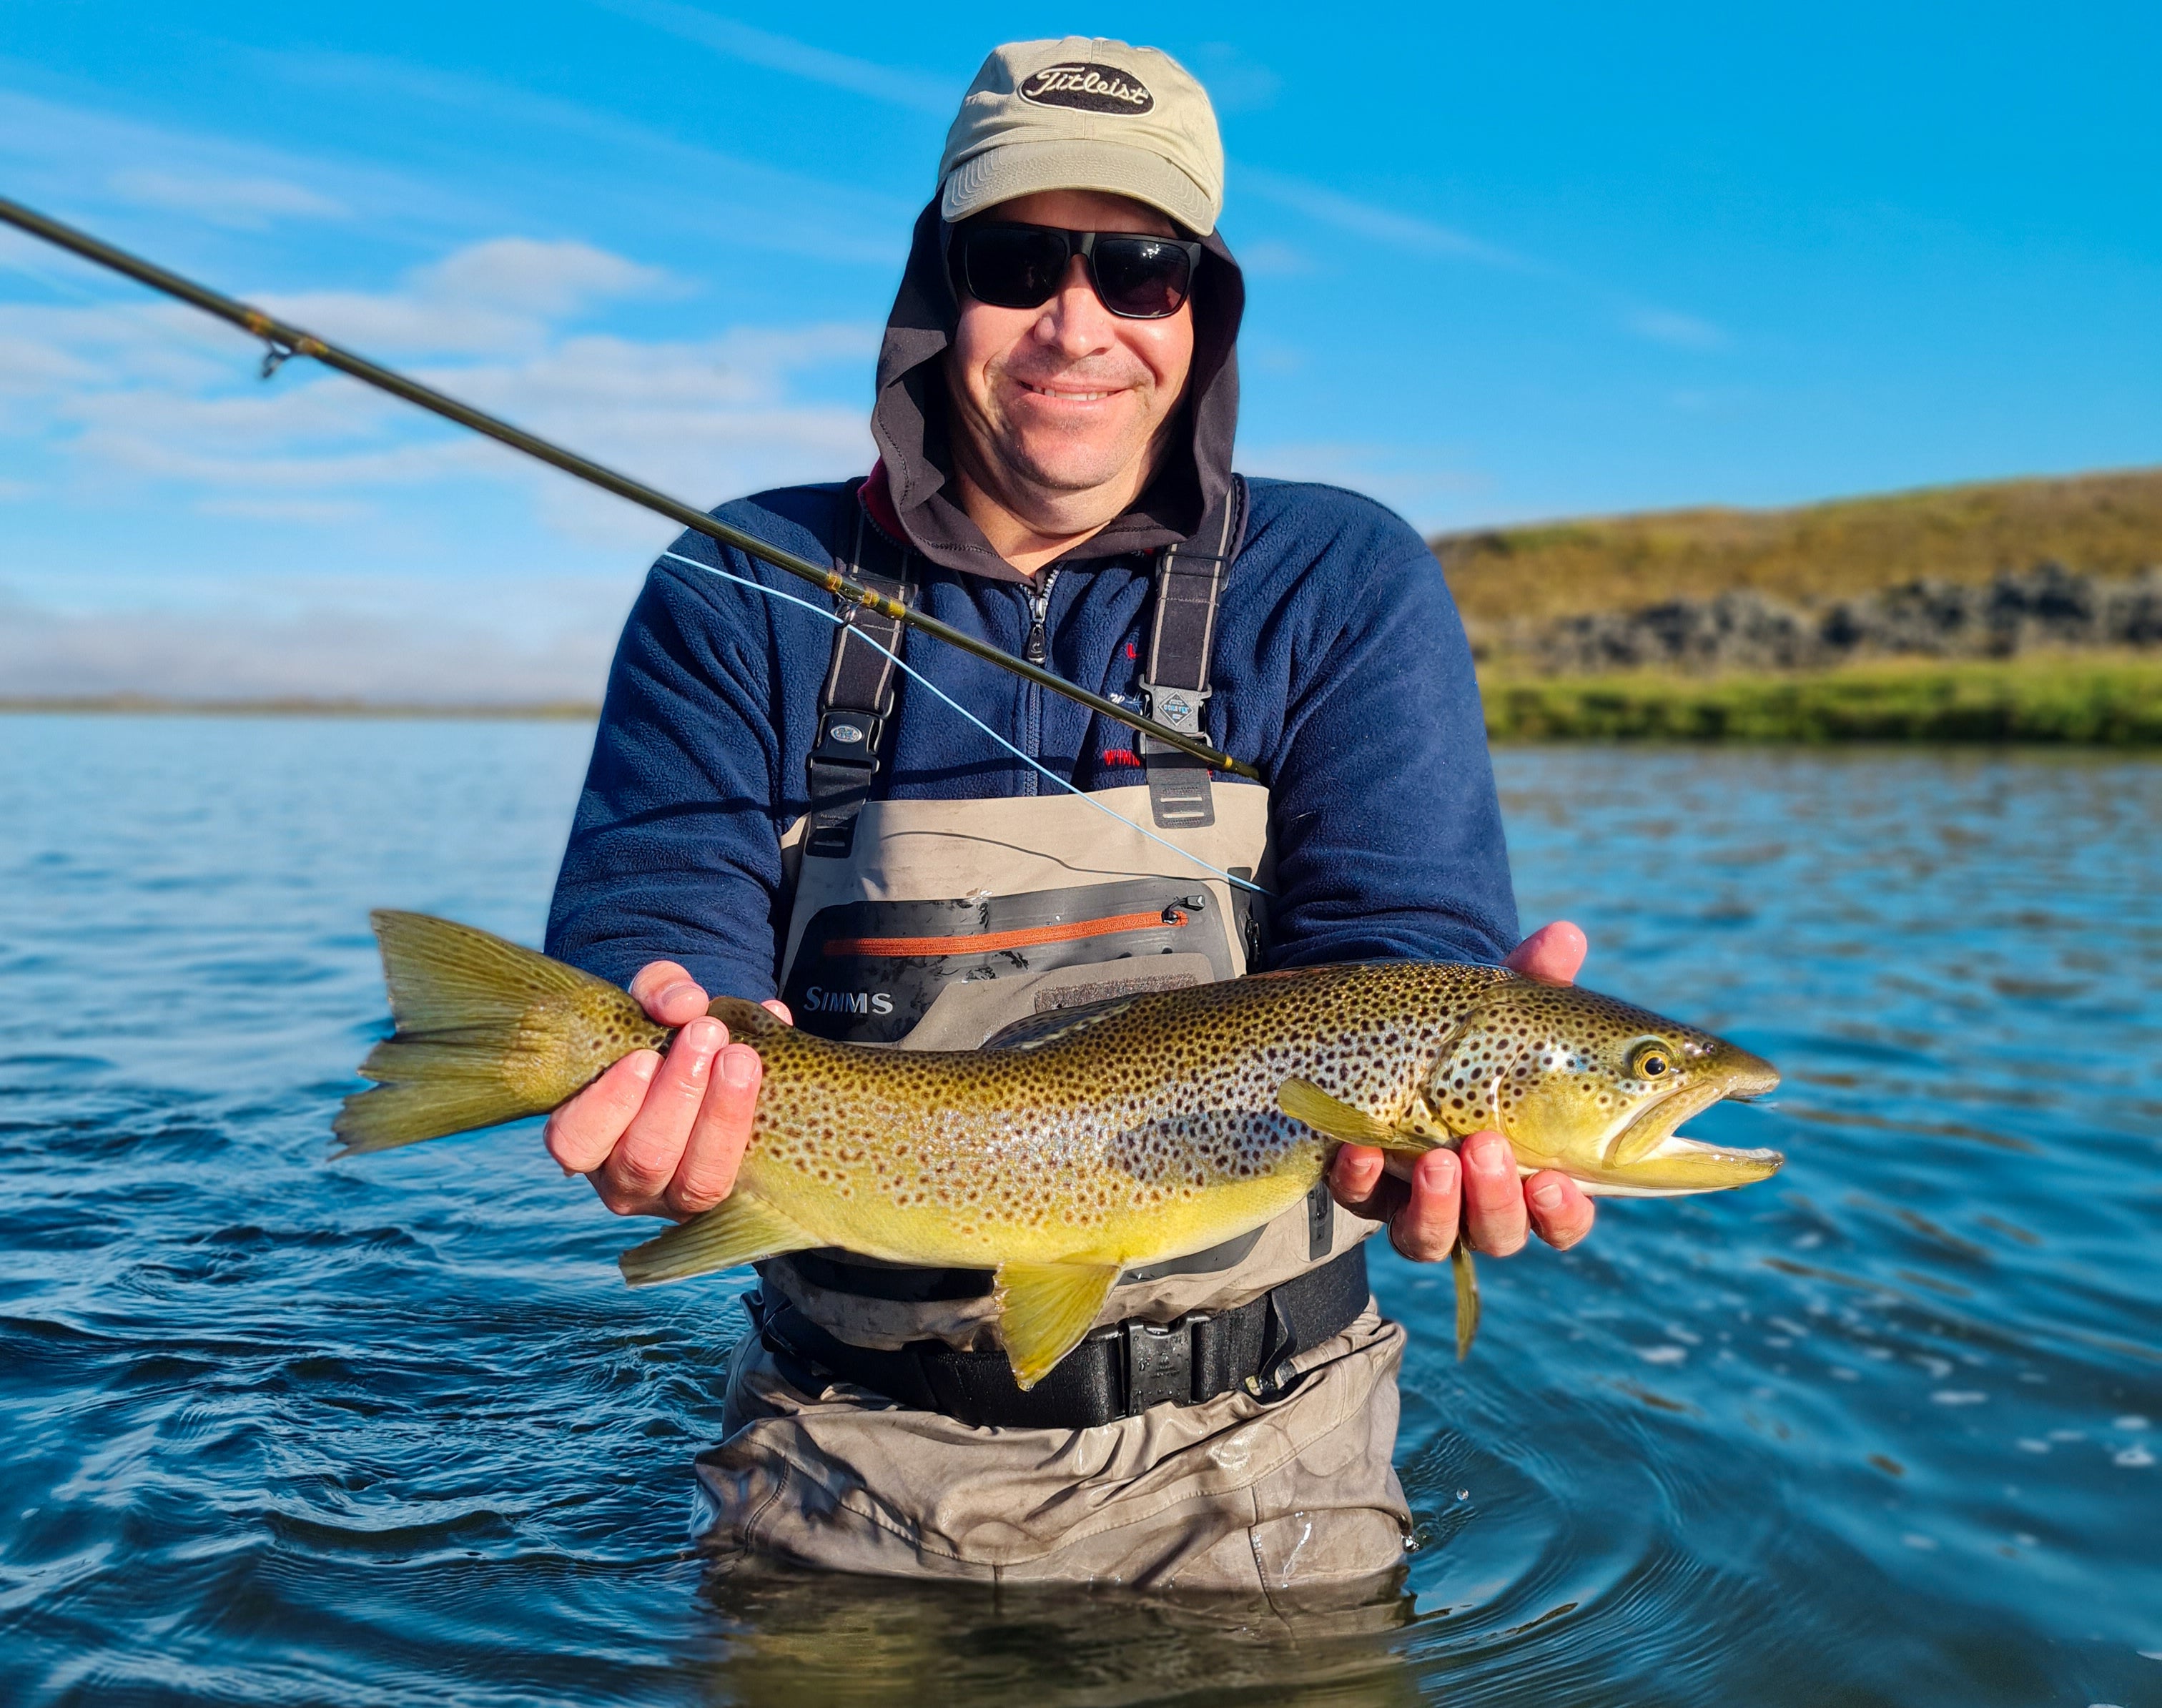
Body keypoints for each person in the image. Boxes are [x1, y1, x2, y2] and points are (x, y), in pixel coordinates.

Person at [543, 36, 1596, 1598]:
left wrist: (1442, 1130)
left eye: (1143, 269)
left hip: (1275, 1464)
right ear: (937, 281)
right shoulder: (748, 576)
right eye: (1018, 260)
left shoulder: (1341, 580)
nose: (1078, 324)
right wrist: (660, 1026)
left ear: (1204, 306)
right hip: (838, 1458)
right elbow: (658, 895)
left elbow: (1399, 945)